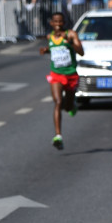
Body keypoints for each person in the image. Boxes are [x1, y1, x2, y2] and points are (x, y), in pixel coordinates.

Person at [38, 12, 84, 150]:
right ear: (51, 23)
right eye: (55, 22)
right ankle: (58, 136)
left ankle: (72, 105)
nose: (58, 24)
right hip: (56, 75)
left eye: (60, 22)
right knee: (58, 102)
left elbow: (81, 52)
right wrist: (46, 50)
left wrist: (70, 42)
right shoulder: (50, 37)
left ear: (64, 23)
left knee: (68, 107)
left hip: (71, 75)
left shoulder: (71, 34)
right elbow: (54, 49)